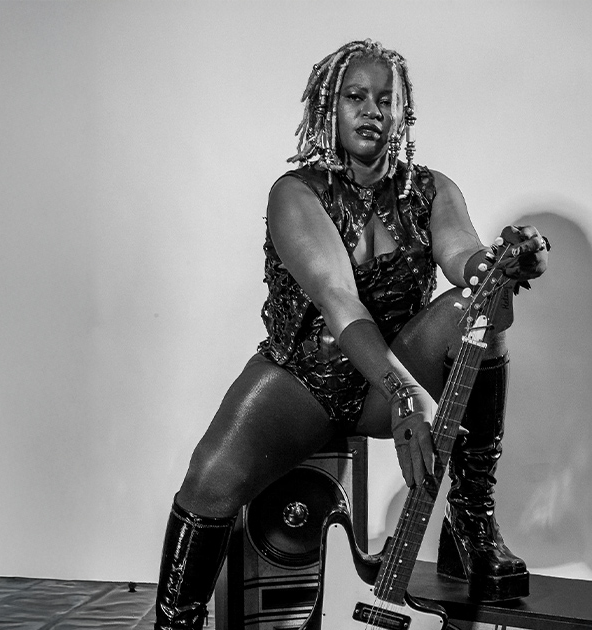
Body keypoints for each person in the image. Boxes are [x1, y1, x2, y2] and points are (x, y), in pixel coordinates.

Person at [152, 39, 549, 630]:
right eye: (356, 97)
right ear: (328, 108)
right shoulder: (296, 194)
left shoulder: (432, 189)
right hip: (305, 377)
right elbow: (339, 300)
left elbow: (462, 257)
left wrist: (503, 266)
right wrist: (404, 395)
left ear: (403, 111)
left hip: (391, 371)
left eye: (386, 100)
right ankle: (174, 624)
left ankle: (472, 521)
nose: (372, 111)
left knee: (480, 307)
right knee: (208, 483)